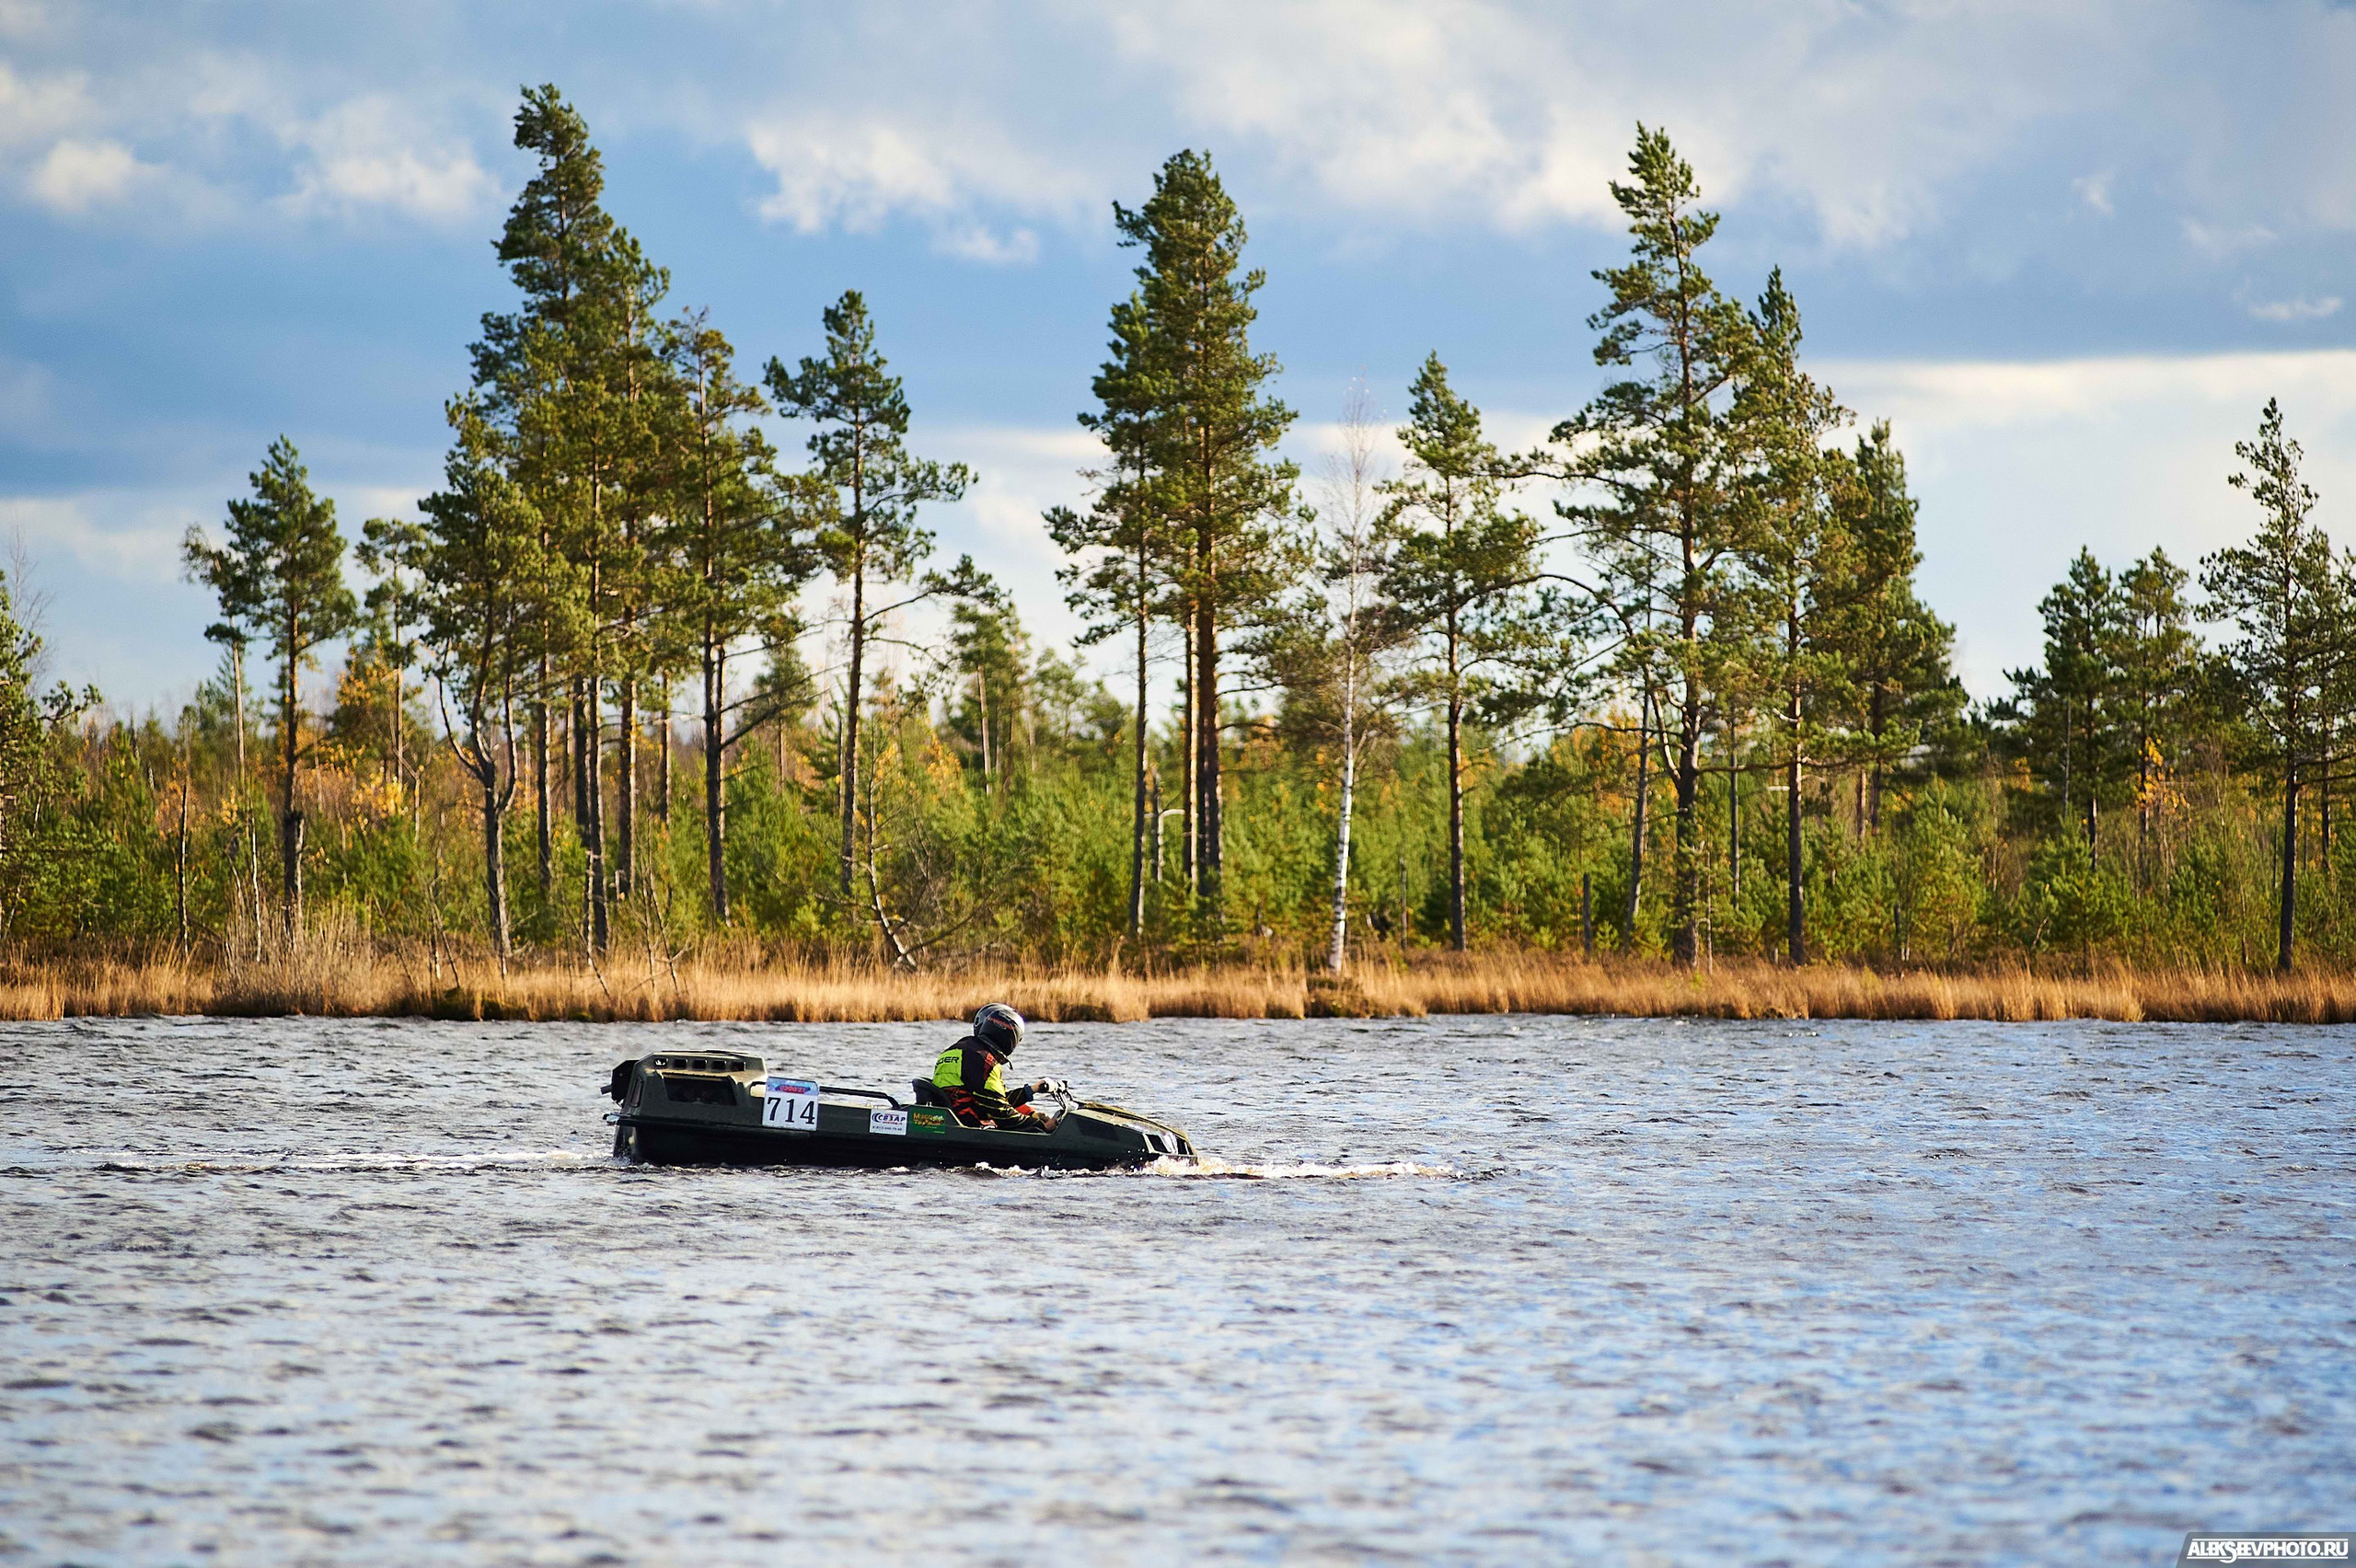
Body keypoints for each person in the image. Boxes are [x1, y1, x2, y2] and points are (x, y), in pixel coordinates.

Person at [931, 1003, 1057, 1131]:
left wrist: (1032, 1091)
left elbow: (993, 1100)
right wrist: (1042, 1126)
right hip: (968, 1125)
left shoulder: (958, 1049)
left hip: (952, 1119)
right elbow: (1002, 1114)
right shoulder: (984, 1060)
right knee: (1035, 1131)